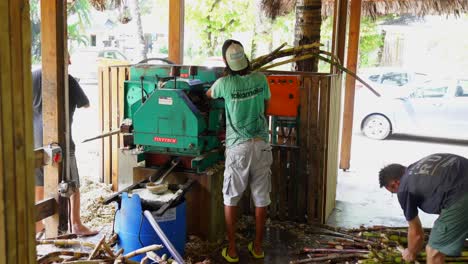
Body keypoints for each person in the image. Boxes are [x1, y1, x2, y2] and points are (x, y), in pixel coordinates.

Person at [206, 39, 272, 263]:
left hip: (238, 147)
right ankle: (258, 247)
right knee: (261, 198)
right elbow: (267, 106)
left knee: (231, 198)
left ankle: (233, 250)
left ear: (226, 61)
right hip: (261, 144)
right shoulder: (261, 78)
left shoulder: (224, 84)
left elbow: (207, 95)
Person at [33, 56, 97, 236]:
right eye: (67, 58)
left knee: (39, 182)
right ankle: (76, 224)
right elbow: (86, 104)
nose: (69, 62)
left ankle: (38, 225)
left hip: (36, 140)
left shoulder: (32, 76)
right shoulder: (68, 80)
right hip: (61, 140)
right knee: (73, 183)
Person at [379, 153, 468, 264]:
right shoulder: (418, 167)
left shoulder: (404, 188)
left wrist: (411, 252)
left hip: (460, 194)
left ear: (394, 184)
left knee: (434, 251)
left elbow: (417, 234)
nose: (396, 193)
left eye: (393, 192)